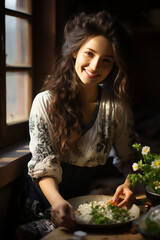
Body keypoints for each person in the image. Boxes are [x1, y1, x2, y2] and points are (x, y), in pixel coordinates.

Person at [26, 10, 138, 231]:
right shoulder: (44, 103)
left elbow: (129, 158)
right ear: (75, 51)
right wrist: (58, 202)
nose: (95, 66)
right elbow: (43, 168)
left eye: (106, 60)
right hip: (45, 200)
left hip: (85, 201)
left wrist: (129, 183)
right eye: (90, 53)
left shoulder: (116, 107)